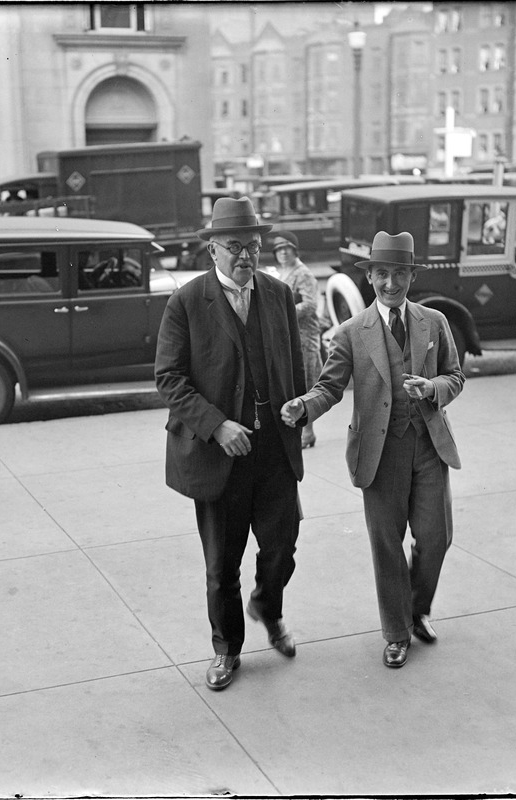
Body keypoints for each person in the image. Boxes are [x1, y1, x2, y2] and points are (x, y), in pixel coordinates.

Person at [281, 231, 465, 669]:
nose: (389, 283)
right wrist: (303, 407)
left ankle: (417, 609)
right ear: (370, 278)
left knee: (437, 537)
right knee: (386, 544)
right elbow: (328, 387)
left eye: (398, 273)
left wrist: (433, 387)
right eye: (382, 274)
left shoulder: (433, 322)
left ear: (411, 276)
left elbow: (455, 376)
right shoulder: (349, 333)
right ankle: (397, 633)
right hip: (379, 453)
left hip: (428, 447)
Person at [154, 196, 306, 691]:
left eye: (253, 246)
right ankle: (227, 650)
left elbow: (294, 363)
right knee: (221, 566)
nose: (246, 257)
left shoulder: (280, 295)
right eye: (235, 247)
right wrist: (218, 426)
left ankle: (268, 605)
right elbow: (169, 379)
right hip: (218, 456)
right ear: (212, 250)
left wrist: (300, 410)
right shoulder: (186, 301)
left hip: (273, 451)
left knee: (282, 545)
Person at [270, 230, 321, 449]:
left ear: (294, 250)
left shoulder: (303, 273)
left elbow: (310, 305)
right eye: (278, 249)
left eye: (286, 248)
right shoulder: (283, 272)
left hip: (305, 337)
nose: (282, 253)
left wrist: (282, 312)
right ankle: (301, 430)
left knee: (307, 384)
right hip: (289, 337)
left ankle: (308, 432)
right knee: (294, 384)